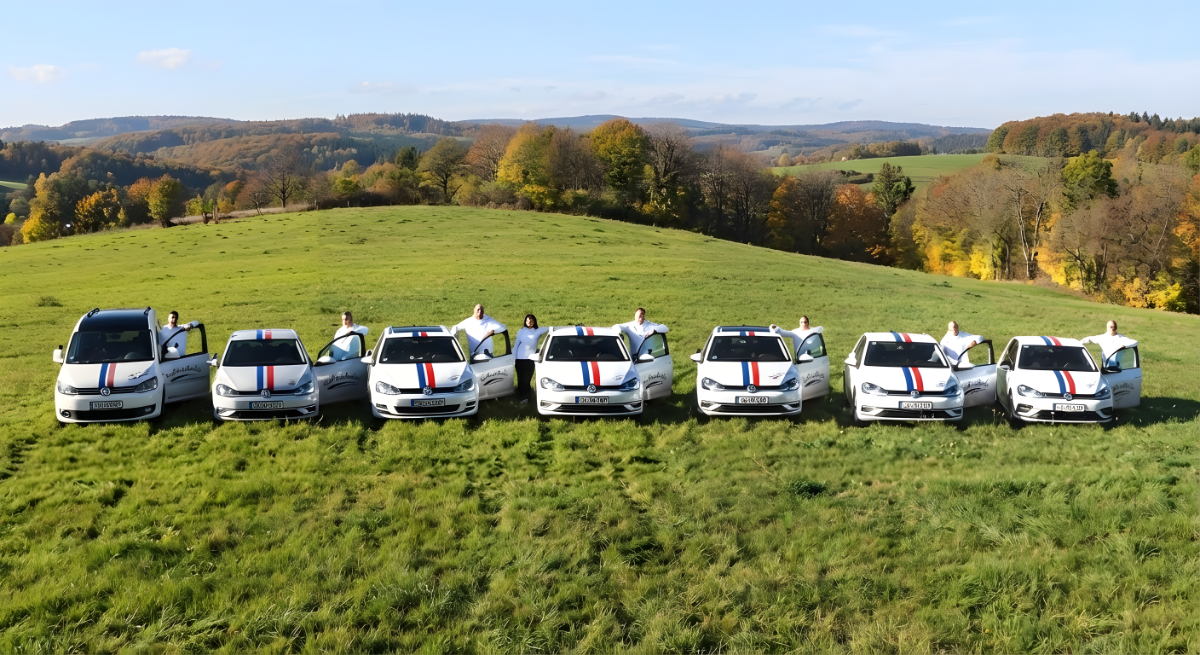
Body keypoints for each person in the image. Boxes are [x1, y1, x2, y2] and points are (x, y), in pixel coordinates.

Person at [514, 314, 547, 403]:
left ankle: (526, 397)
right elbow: (516, 344)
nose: (529, 322)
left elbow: (551, 329)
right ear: (525, 322)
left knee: (527, 379)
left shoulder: (537, 331)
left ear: (534, 321)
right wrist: (513, 359)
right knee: (520, 379)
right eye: (528, 321)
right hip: (519, 359)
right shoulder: (521, 331)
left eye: (531, 320)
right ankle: (522, 397)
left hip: (530, 359)